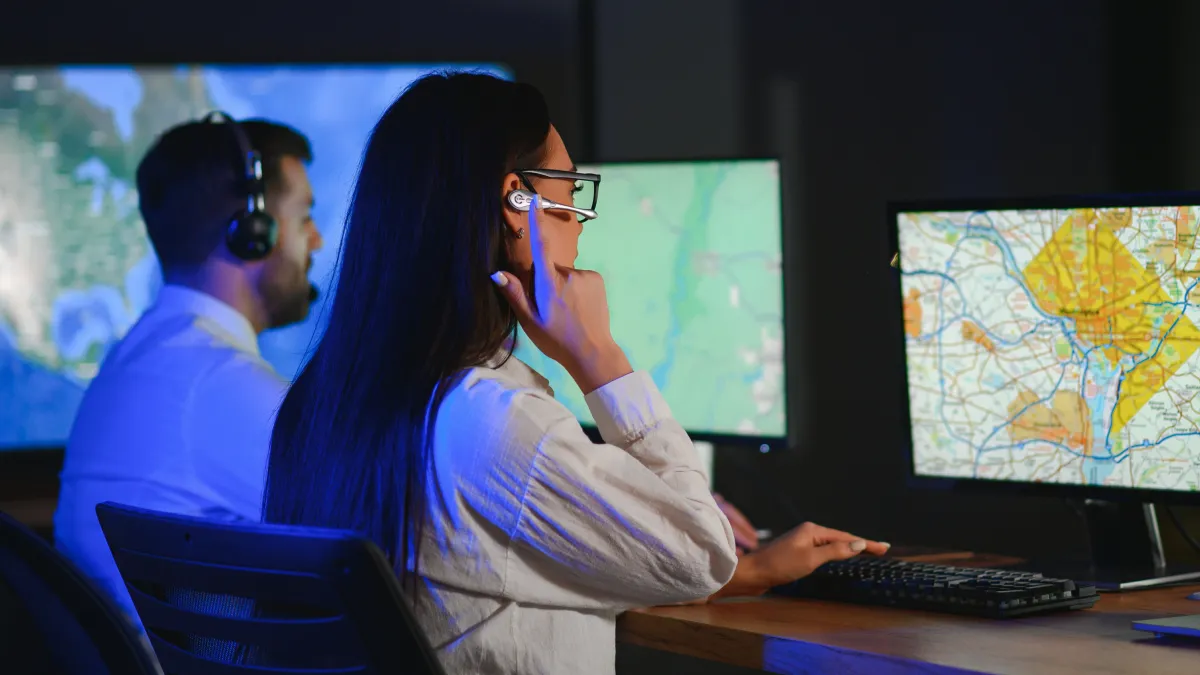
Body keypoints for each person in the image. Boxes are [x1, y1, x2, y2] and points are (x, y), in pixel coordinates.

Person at [263, 72, 886, 675]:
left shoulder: (323, 404)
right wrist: (598, 358)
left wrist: (744, 573)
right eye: (568, 186)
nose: (578, 216)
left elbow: (506, 570)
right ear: (518, 201)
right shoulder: (497, 424)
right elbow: (703, 554)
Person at [54, 115, 323, 622]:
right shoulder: (217, 383)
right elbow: (379, 531)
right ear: (253, 232)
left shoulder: (136, 358)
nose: (317, 241)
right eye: (305, 216)